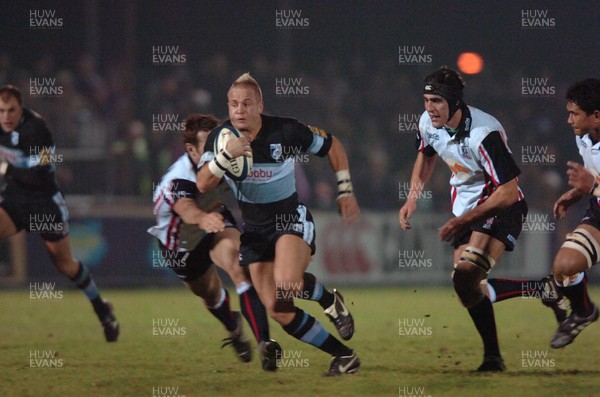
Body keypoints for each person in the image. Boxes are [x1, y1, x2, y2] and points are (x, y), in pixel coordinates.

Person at [197, 73, 361, 376]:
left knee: (287, 283)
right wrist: (224, 157)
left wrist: (345, 188)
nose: (239, 110)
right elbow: (203, 183)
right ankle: (345, 356)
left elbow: (332, 145)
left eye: (247, 103)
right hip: (255, 231)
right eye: (234, 104)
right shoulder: (221, 138)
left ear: (260, 105)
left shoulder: (286, 130)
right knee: (278, 309)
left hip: (289, 219)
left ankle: (327, 299)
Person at [399, 67, 528, 372]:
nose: (430, 108)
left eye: (437, 101)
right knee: (465, 287)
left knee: (468, 271)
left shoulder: (484, 133)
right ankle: (495, 356)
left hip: (499, 206)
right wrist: (413, 196)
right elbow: (427, 155)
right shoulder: (428, 122)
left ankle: (494, 357)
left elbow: (508, 192)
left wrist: (462, 221)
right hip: (465, 213)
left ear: (455, 102)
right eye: (426, 100)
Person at [147, 113, 275, 369]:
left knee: (240, 268)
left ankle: (266, 344)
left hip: (216, 223)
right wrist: (201, 218)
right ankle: (234, 328)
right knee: (210, 296)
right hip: (181, 246)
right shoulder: (178, 178)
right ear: (190, 149)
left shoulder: (225, 159)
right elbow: (185, 209)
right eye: (207, 145)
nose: (215, 149)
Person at [0, 84, 118, 341]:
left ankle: (102, 308)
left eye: (11, 110)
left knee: (65, 265)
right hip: (15, 199)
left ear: (21, 109)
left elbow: (42, 167)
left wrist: (7, 169)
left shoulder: (37, 128)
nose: (6, 116)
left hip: (44, 201)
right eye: (1, 111)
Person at [543, 78, 600, 348]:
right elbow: (594, 177)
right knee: (563, 267)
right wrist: (576, 193)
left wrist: (594, 186)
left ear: (596, 116)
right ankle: (584, 311)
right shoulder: (585, 138)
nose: (569, 120)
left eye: (574, 114)